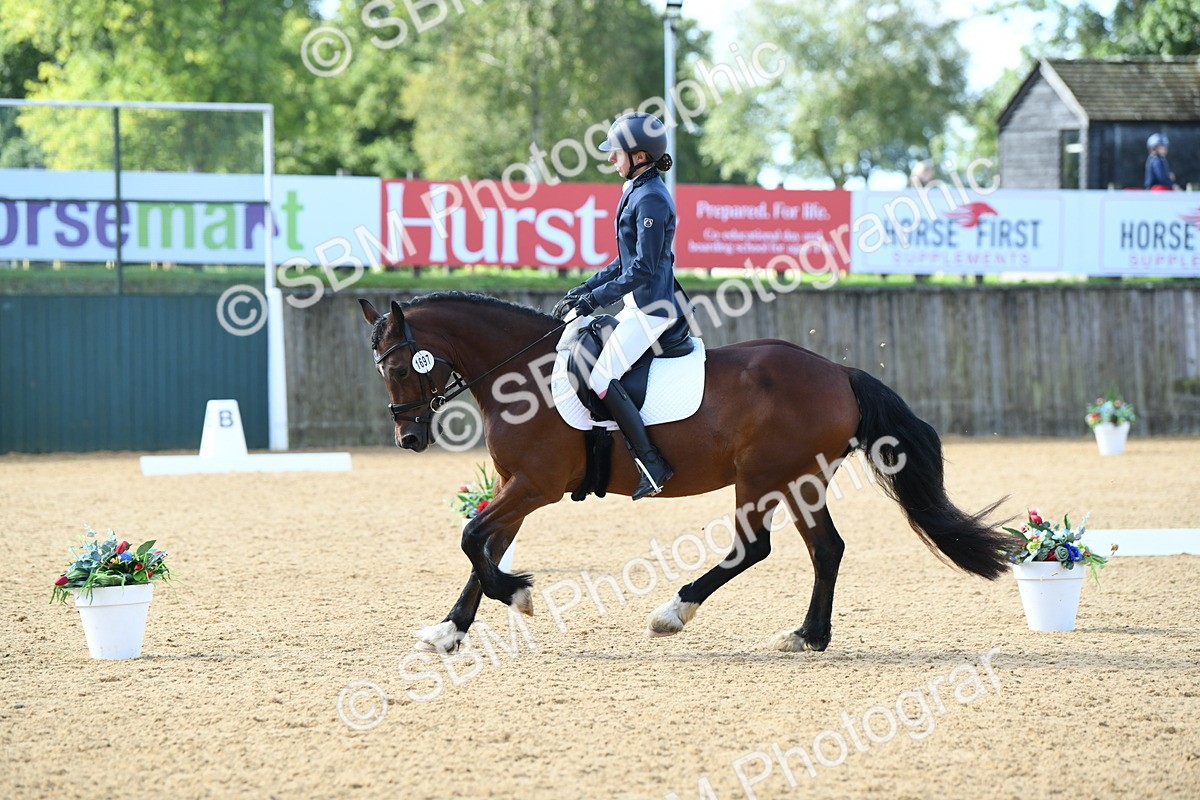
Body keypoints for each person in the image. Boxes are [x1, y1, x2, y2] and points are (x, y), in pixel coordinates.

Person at [551, 111, 687, 500]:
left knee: (598, 377)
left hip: (653, 308)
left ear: (639, 156)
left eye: (617, 153)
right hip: (635, 304)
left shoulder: (652, 199)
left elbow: (642, 269)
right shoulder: (637, 190)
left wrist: (595, 300)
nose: (611, 159)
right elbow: (623, 261)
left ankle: (651, 461)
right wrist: (584, 289)